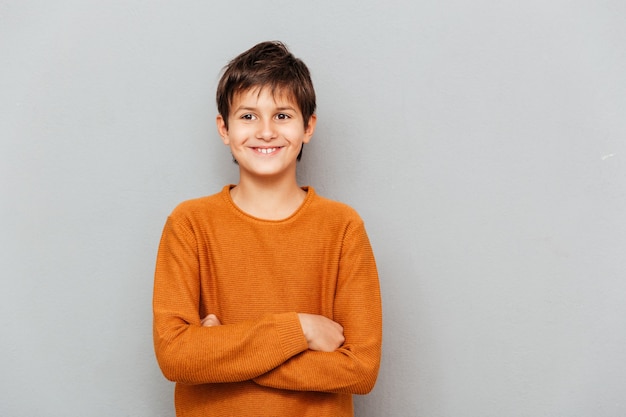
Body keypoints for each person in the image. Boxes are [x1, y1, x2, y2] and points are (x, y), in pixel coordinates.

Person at [153, 41, 382, 417]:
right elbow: (176, 357)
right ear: (223, 128)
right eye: (247, 117)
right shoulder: (189, 224)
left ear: (308, 126)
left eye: (282, 116)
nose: (265, 131)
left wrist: (220, 355)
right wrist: (300, 329)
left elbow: (360, 369)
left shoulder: (343, 227)